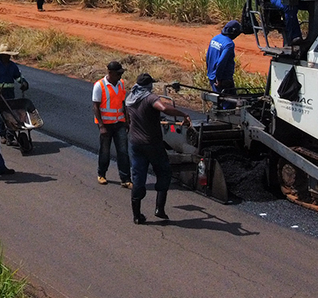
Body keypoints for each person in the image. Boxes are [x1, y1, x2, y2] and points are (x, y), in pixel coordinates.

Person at [125, 73, 191, 224]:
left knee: (138, 177)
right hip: (152, 145)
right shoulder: (149, 98)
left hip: (135, 144)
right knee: (164, 173)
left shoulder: (130, 98)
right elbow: (163, 108)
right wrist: (183, 114)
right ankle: (159, 209)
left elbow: (129, 118)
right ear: (149, 85)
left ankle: (137, 216)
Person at [91, 60, 131, 187]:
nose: (120, 76)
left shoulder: (121, 84)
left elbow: (123, 102)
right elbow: (95, 106)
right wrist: (101, 126)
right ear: (110, 73)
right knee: (105, 151)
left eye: (121, 73)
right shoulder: (99, 86)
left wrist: (127, 119)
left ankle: (125, 179)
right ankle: (101, 174)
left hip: (119, 122)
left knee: (123, 151)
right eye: (118, 73)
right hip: (106, 124)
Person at [0, 43, 28, 144]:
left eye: (8, 55)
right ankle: (3, 134)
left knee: (11, 114)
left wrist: (23, 83)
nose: (7, 57)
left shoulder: (12, 66)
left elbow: (18, 77)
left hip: (10, 93)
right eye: (5, 55)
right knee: (2, 114)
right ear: (1, 55)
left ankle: (10, 136)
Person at [206, 19, 242, 94]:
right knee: (230, 100)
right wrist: (219, 79)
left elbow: (208, 56)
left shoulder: (215, 39)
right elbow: (221, 62)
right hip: (223, 79)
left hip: (212, 76)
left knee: (217, 98)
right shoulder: (229, 44)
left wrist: (210, 72)